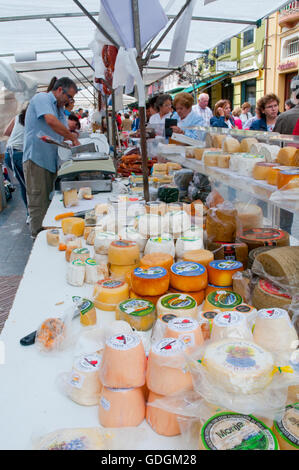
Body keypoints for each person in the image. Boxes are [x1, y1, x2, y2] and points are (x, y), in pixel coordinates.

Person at [23, 76, 79, 238]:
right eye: (68, 97)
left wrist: (72, 137)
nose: (68, 101)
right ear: (60, 90)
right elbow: (51, 121)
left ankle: (48, 234)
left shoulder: (60, 108)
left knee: (48, 200)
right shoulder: (42, 98)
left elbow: (61, 130)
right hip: (36, 159)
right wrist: (72, 137)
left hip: (49, 161)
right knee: (38, 200)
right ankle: (37, 237)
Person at [4, 106, 28, 215]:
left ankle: (31, 213)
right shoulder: (33, 118)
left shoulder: (18, 117)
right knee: (27, 185)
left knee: (25, 184)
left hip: (10, 153)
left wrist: (16, 137)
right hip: (17, 154)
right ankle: (30, 214)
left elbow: (7, 132)